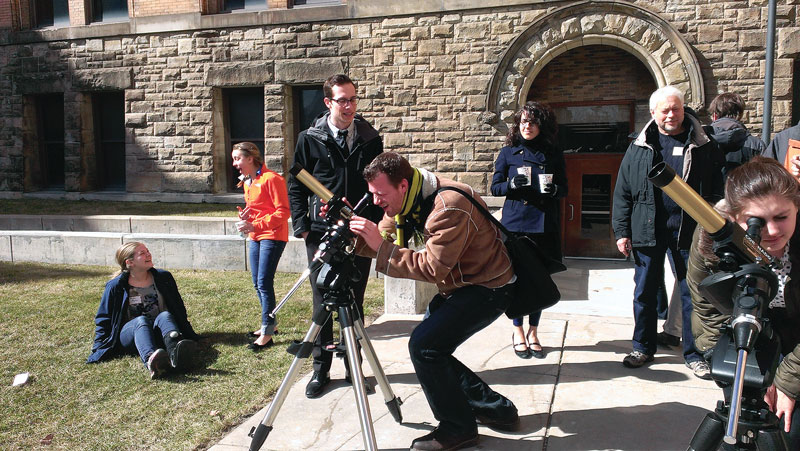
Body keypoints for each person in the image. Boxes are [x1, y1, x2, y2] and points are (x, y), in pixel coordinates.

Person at [349, 152, 519, 451]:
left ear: (402, 185)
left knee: (425, 346)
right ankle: (495, 408)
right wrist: (352, 229)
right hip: (460, 286)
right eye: (372, 194)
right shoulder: (410, 196)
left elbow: (432, 267)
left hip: (488, 287)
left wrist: (380, 245)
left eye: (380, 194)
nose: (376, 202)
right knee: (432, 349)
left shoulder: (448, 206)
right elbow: (382, 238)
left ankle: (458, 429)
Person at [612, 85, 724, 378]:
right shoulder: (639, 146)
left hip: (688, 232)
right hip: (646, 231)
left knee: (693, 294)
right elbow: (623, 192)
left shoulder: (702, 145)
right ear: (653, 113)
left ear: (683, 108)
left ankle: (694, 353)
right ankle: (642, 347)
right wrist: (621, 231)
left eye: (676, 108)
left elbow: (716, 189)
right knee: (645, 291)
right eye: (665, 110)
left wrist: (712, 227)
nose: (672, 115)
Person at [688, 156, 800, 447]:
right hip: (747, 333)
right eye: (757, 222)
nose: (773, 231)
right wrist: (726, 365)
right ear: (734, 219)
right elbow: (706, 305)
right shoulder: (713, 242)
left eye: (782, 217)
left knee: (790, 429)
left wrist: (787, 383)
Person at [287, 73, 384, 399]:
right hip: (321, 232)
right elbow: (298, 182)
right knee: (323, 301)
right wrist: (301, 223)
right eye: (343, 100)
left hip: (358, 231)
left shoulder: (370, 138)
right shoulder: (309, 138)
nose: (350, 106)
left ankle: (353, 369)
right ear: (328, 102)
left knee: (354, 302)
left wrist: (376, 219)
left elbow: (378, 184)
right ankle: (320, 371)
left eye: (353, 99)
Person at [490, 101, 566, 359]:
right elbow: (495, 188)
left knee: (540, 280)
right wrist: (512, 183)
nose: (527, 127)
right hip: (516, 225)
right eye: (523, 122)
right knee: (518, 279)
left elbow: (564, 188)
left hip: (543, 224)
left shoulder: (553, 153)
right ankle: (518, 330)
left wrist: (554, 190)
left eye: (532, 122)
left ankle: (534, 331)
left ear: (541, 125)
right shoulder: (508, 153)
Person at [87, 242, 200, 379]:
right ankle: (152, 361)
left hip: (159, 332)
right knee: (141, 321)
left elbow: (178, 308)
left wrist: (188, 332)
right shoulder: (115, 286)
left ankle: (175, 355)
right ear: (130, 262)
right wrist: (98, 348)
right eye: (142, 253)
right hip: (131, 337)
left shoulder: (164, 277)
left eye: (148, 251)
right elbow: (104, 319)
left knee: (165, 315)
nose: (148, 254)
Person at [233, 141, 290, 351]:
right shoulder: (248, 181)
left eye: (237, 158)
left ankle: (266, 333)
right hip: (255, 235)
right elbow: (257, 207)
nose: (234, 163)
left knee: (264, 282)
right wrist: (244, 216)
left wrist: (255, 224)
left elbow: (283, 211)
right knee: (257, 283)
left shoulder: (272, 179)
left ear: (250, 158)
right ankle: (271, 324)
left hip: (272, 235)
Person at [706, 92, 766, 177]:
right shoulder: (755, 144)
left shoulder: (700, 141)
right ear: (740, 115)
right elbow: (764, 179)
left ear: (715, 116)